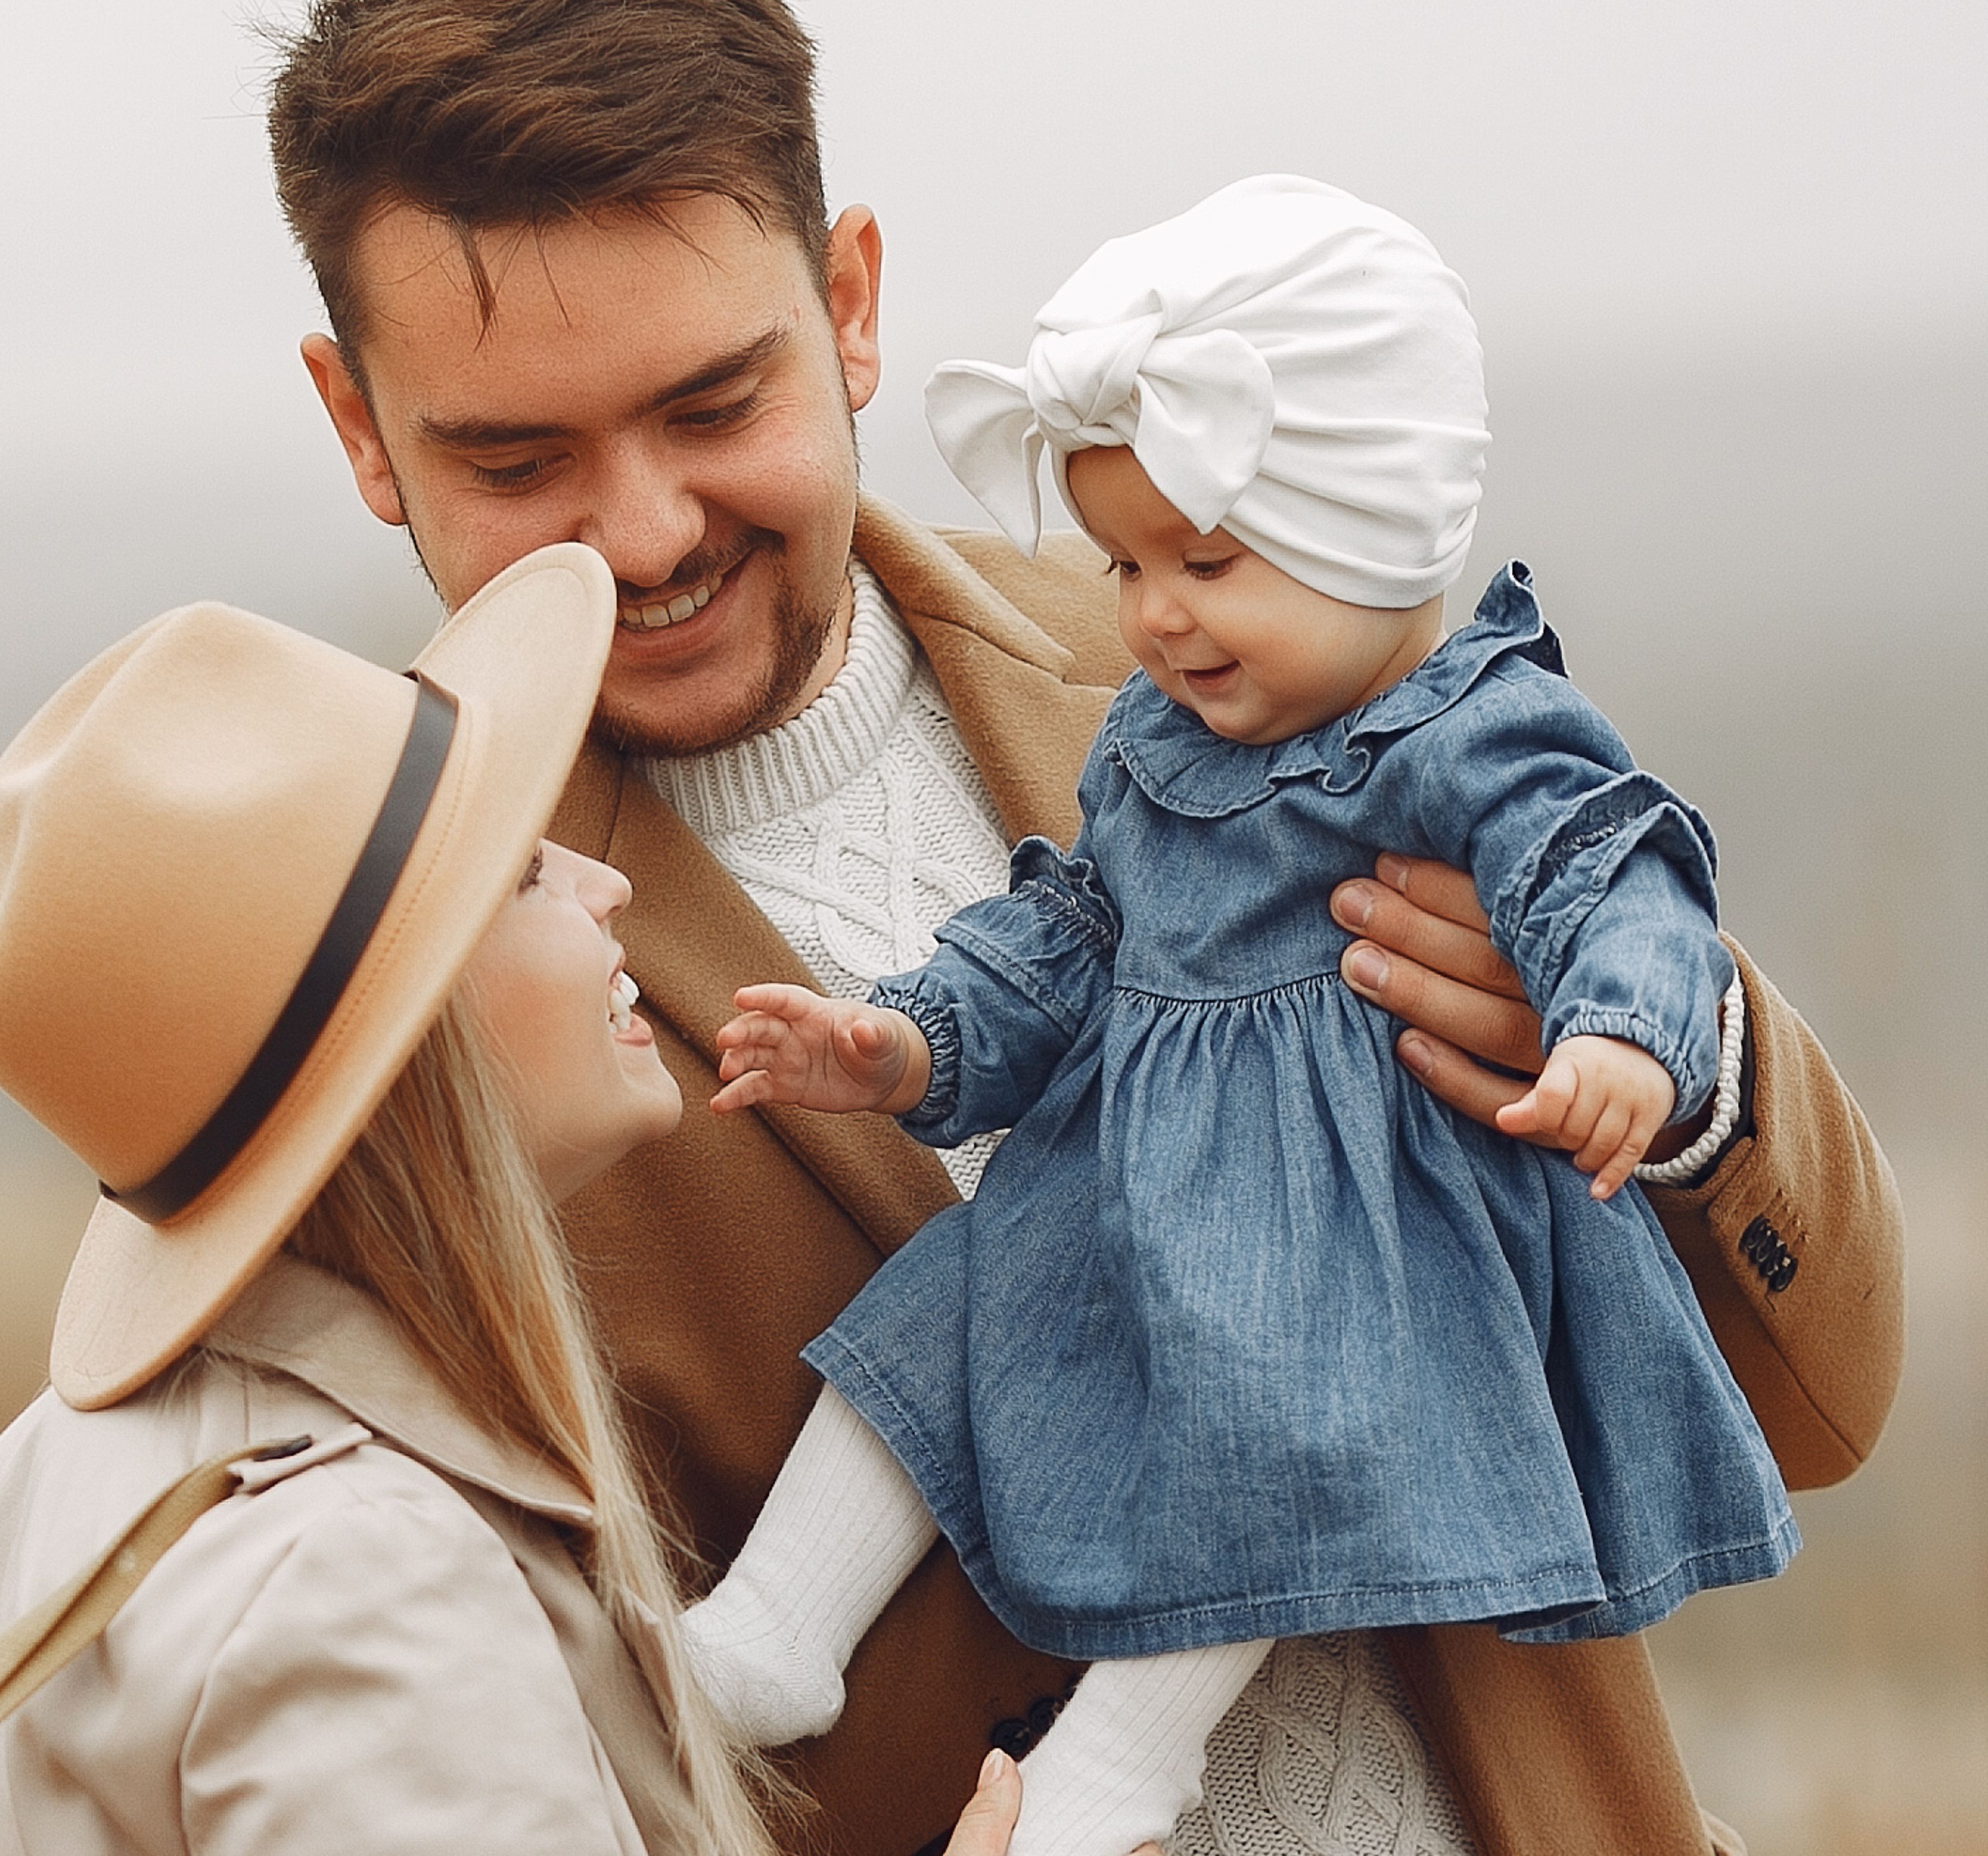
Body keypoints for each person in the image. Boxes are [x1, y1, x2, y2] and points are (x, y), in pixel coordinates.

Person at [261, 0, 1904, 1852]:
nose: (643, 526)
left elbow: (1825, 1402)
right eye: (519, 460)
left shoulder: (1227, 672)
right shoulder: (361, 1020)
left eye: (715, 404)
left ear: (851, 301)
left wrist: (1688, 1063)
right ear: (358, 426)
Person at [672, 175, 1797, 1856]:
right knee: (935, 1327)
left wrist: (1624, 1037)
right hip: (1114, 1186)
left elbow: (1608, 872)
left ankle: (1130, 1748)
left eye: (1206, 559)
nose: (1156, 613)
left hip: (1340, 1223)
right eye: (1126, 563)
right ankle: (773, 1629)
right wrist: (908, 1038)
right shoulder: (1152, 740)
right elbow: (1071, 928)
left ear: (1374, 530)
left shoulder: (1470, 729)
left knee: (1264, 1414)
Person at [0, 545, 940, 1854]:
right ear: (411, 1045)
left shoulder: (57, 1465)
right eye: (523, 877)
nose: (608, 884)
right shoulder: (367, 1580)